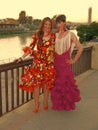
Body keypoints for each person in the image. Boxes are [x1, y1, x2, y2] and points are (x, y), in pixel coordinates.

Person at [16, 17, 56, 113]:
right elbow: (30, 48)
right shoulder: (37, 35)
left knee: (47, 86)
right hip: (37, 64)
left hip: (48, 65)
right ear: (42, 25)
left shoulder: (53, 36)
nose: (47, 26)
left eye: (49, 25)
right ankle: (36, 104)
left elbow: (54, 51)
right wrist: (21, 58)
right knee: (36, 86)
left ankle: (45, 102)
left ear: (51, 26)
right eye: (46, 24)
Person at [51, 14, 83, 111]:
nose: (59, 25)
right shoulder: (54, 35)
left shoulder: (70, 34)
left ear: (64, 22)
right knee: (57, 85)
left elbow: (80, 48)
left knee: (66, 85)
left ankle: (67, 105)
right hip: (56, 64)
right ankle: (59, 105)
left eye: (60, 22)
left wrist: (73, 60)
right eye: (57, 23)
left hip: (65, 64)